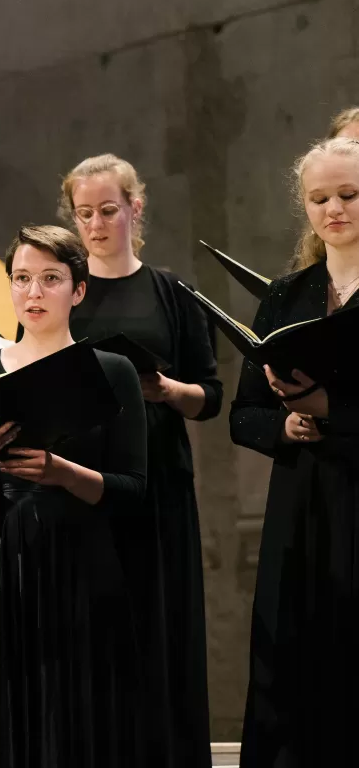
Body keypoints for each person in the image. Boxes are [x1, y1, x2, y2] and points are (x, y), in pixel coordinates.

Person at [0, 225, 148, 768]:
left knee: (70, 705)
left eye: (51, 279)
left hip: (77, 555)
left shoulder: (112, 371)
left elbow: (133, 489)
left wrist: (63, 472)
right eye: (21, 278)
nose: (33, 292)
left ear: (78, 290)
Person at [60, 154, 220, 766]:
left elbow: (210, 396)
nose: (95, 225)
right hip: (86, 479)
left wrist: (164, 390)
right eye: (83, 214)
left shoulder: (171, 292)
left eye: (108, 210)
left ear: (135, 207)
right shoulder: (63, 291)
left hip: (158, 478)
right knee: (94, 627)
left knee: (161, 622)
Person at [230, 136, 359, 766]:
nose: (333, 209)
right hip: (302, 505)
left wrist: (330, 409)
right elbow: (244, 415)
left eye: (349, 195)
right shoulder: (284, 296)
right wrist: (285, 427)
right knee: (293, 659)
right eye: (319, 198)